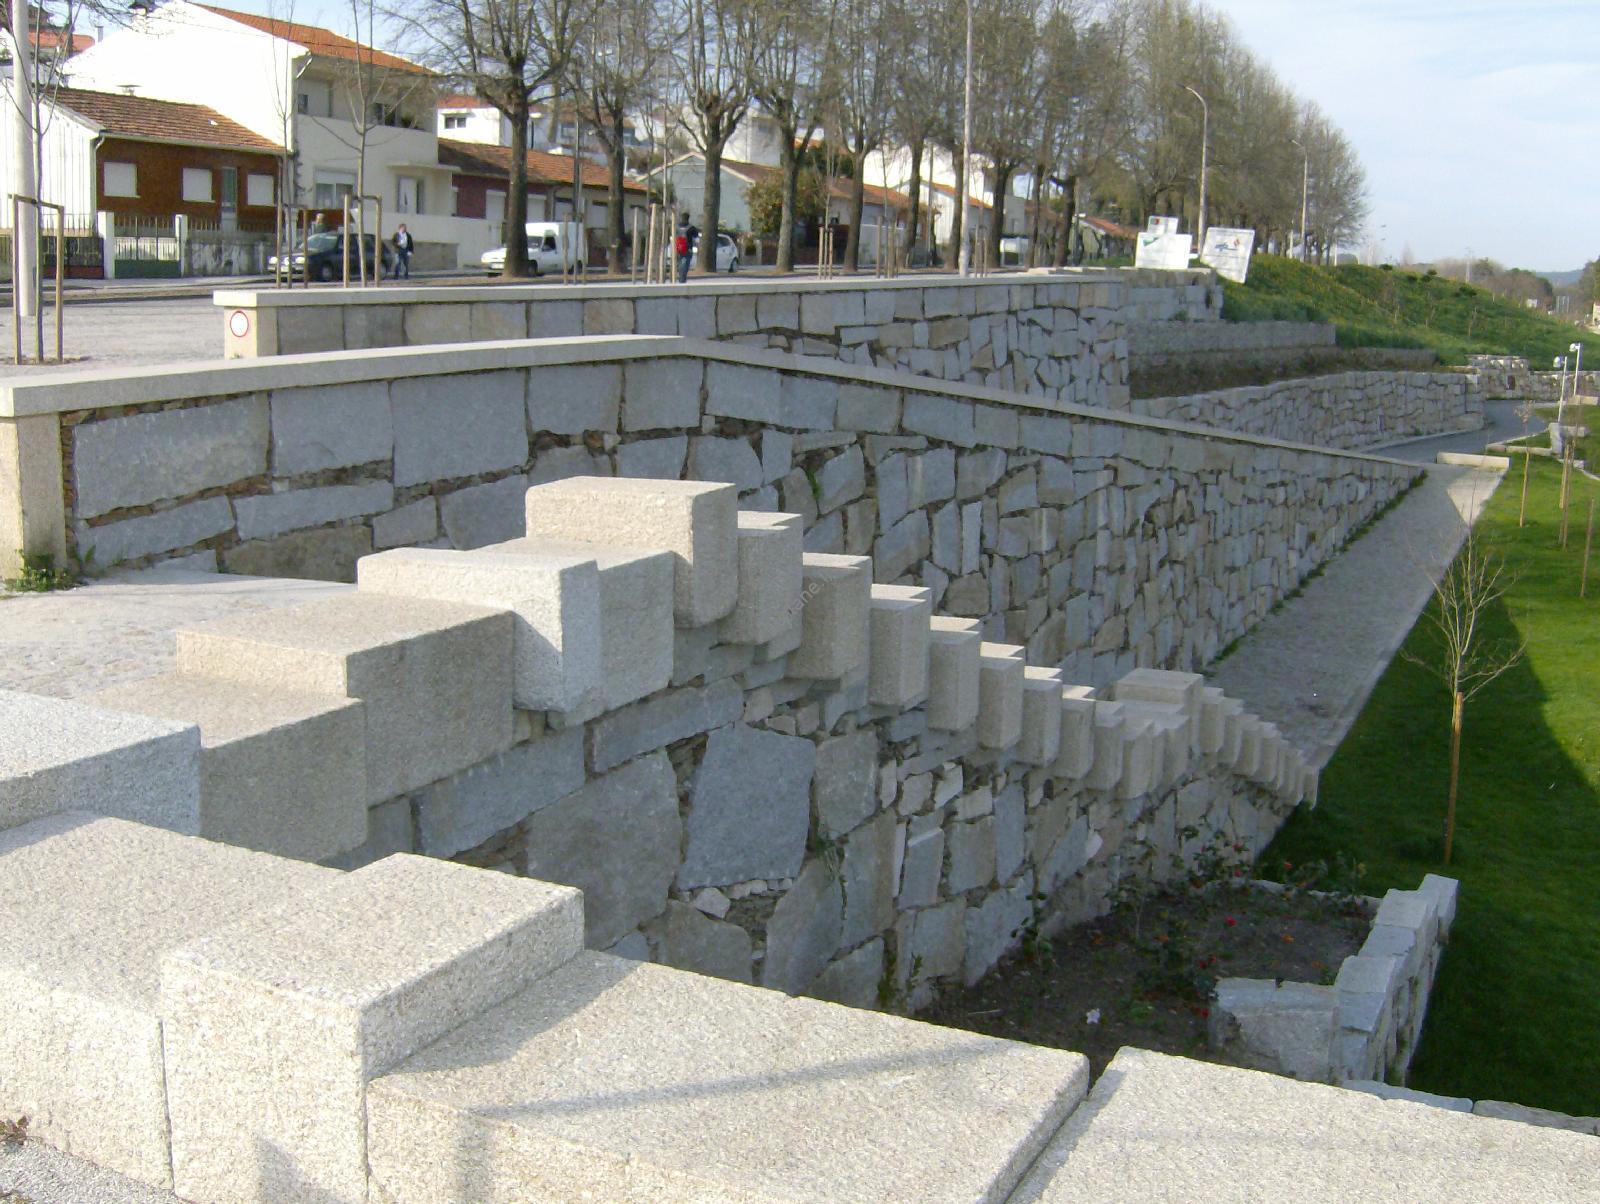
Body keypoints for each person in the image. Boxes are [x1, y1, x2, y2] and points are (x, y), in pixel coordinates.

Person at [675, 214, 698, 283]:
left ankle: (680, 277)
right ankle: (682, 279)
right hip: (688, 249)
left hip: (678, 248)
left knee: (680, 263)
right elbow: (696, 236)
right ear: (688, 218)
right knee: (685, 264)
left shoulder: (676, 227)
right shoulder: (691, 228)